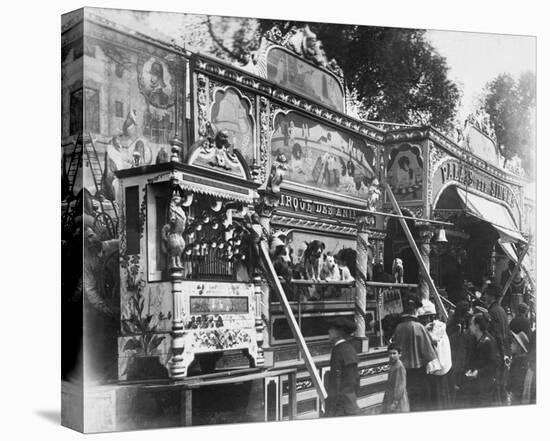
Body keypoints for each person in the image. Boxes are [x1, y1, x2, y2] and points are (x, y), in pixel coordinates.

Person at [391, 297, 438, 411]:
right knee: (420, 400)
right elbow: (429, 354)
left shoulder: (398, 328)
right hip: (418, 371)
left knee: (407, 398)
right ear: (414, 311)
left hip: (403, 369)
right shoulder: (419, 327)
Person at [324, 317, 361, 417]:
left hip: (340, 408)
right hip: (351, 403)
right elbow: (356, 380)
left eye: (331, 329)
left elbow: (335, 384)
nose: (329, 331)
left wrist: (330, 409)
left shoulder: (337, 351)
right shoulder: (350, 348)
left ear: (339, 332)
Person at [484, 284, 511, 405]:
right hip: (504, 351)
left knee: (496, 388)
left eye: (487, 294)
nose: (485, 296)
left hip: (498, 353)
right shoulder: (501, 310)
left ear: (492, 296)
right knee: (501, 385)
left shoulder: (492, 312)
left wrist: (501, 353)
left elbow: (497, 335)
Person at [464, 313, 498, 407]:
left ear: (477, 326)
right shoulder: (475, 339)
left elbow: (493, 366)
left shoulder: (488, 342)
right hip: (475, 385)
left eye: (471, 324)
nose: (469, 327)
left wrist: (478, 372)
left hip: (485, 386)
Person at [382, 343, 410, 413]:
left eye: (394, 353)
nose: (392, 356)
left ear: (400, 354)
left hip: (398, 398)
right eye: (390, 354)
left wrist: (395, 402)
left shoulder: (399, 366)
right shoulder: (392, 364)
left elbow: (400, 386)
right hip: (390, 395)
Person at [509, 331, 530, 405]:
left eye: (513, 343)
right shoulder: (523, 360)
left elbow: (513, 380)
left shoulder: (518, 361)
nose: (511, 345)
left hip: (516, 394)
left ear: (519, 347)